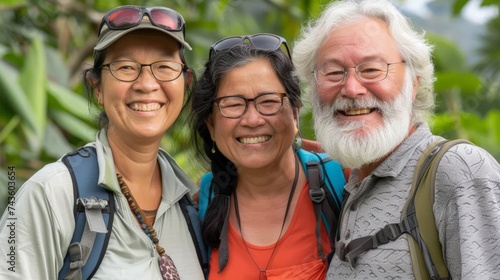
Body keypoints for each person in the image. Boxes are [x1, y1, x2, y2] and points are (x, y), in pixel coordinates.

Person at [293, 0, 500, 279]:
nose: (352, 89)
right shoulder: (352, 186)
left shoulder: (459, 171)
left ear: (412, 84)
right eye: (333, 72)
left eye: (371, 70)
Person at [0, 5, 205, 280]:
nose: (146, 84)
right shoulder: (50, 194)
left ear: (186, 82)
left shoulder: (195, 205)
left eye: (164, 67)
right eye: (126, 67)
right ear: (97, 88)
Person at [190, 34, 346, 279]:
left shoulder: (342, 181)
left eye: (269, 101)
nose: (253, 120)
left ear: (295, 113)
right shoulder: (203, 200)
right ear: (211, 125)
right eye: (233, 104)